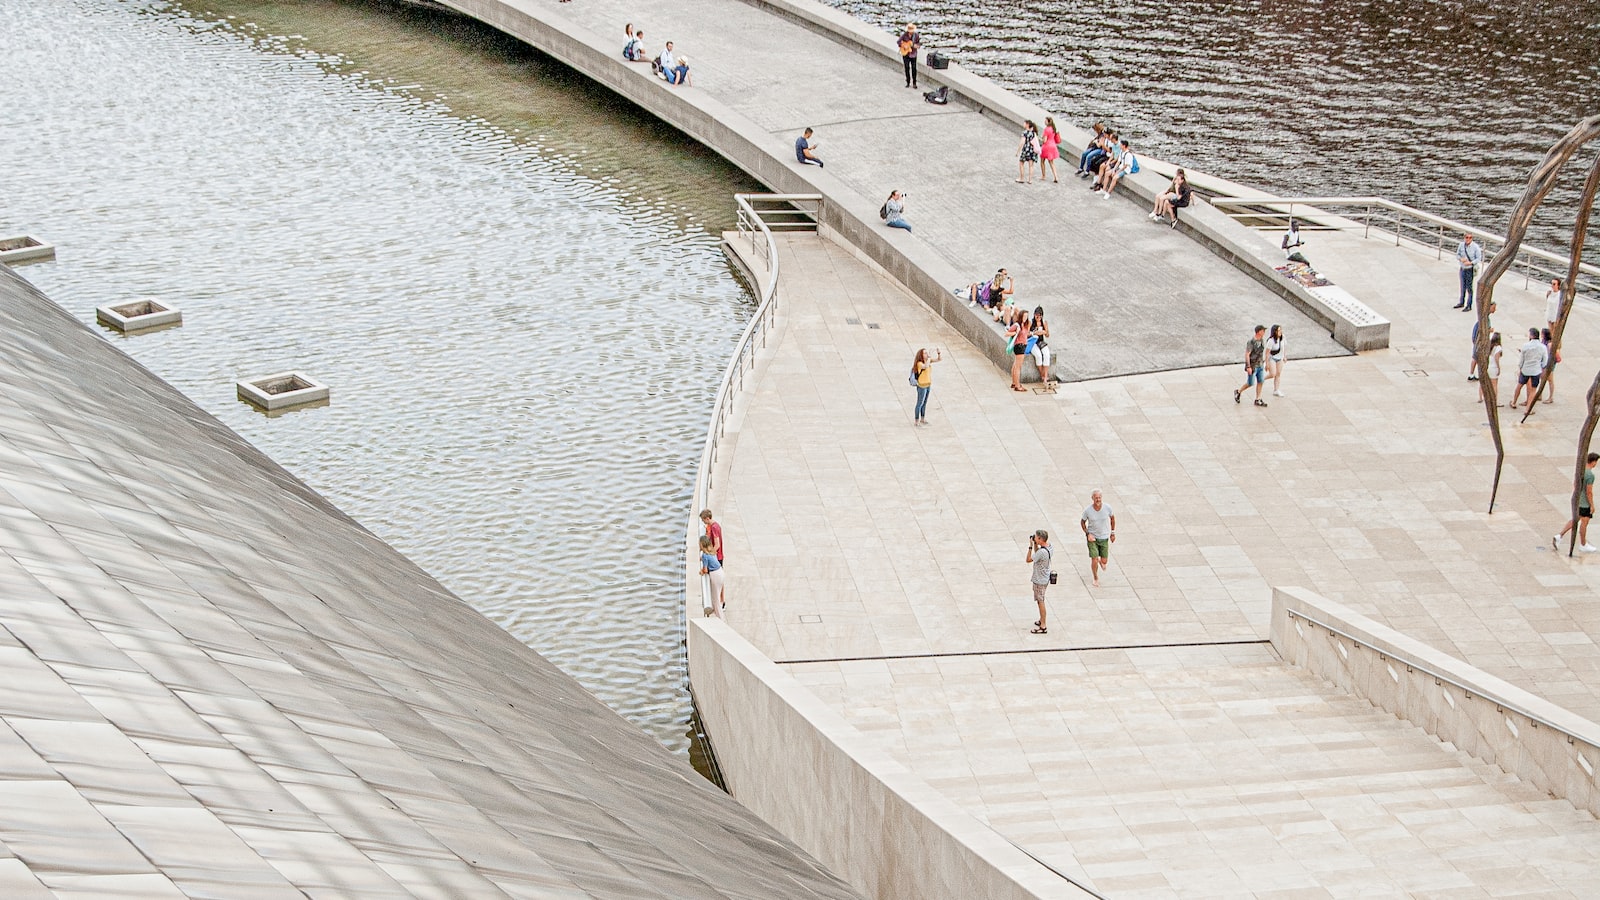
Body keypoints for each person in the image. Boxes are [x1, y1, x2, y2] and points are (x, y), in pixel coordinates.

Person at [1555, 453, 1600, 554]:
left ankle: (1559, 536)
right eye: (1596, 462)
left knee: (1575, 519)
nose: (1596, 464)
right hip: (1584, 503)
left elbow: (1575, 485)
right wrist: (1592, 505)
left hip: (1577, 500)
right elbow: (1589, 492)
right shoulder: (1590, 475)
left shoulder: (1580, 471)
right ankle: (1583, 544)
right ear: (1593, 461)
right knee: (1584, 522)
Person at [1080, 491, 1115, 587]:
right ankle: (1095, 577)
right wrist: (1087, 534)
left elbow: (1112, 518)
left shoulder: (1107, 508)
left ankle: (1101, 561)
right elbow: (1082, 522)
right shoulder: (1088, 510)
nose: (1098, 500)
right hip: (1092, 537)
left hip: (1104, 537)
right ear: (1093, 498)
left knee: (1104, 562)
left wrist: (1112, 533)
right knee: (1094, 559)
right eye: (1096, 498)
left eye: (1099, 497)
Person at [1509, 327, 1548, 411]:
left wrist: (1520, 367)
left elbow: (1521, 360)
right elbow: (1545, 361)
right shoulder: (1542, 347)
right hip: (1536, 370)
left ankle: (1514, 402)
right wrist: (1541, 367)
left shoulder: (1525, 346)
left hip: (1525, 369)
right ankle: (1528, 408)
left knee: (1519, 385)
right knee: (1533, 390)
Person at [1233, 325, 1269, 407]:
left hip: (1260, 364)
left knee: (1261, 381)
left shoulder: (1262, 340)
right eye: (1263, 330)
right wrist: (1248, 366)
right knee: (1250, 383)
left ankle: (1258, 398)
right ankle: (1238, 391)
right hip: (1253, 366)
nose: (1264, 332)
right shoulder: (1251, 342)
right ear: (1259, 331)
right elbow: (1247, 354)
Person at [1026, 529, 1051, 634]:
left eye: (1036, 537)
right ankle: (1041, 620)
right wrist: (1036, 544)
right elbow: (1038, 554)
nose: (1034, 538)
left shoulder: (1041, 552)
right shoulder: (1049, 547)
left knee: (1041, 601)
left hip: (1040, 580)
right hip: (1044, 578)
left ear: (1040, 539)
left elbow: (1028, 559)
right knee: (1040, 600)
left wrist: (1031, 546)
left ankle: (1043, 625)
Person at [911, 347, 941, 424]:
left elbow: (939, 359)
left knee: (925, 402)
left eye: (927, 353)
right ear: (921, 355)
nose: (927, 354)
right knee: (920, 403)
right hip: (922, 386)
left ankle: (922, 418)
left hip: (928, 384)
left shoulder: (928, 361)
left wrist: (939, 353)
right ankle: (916, 420)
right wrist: (929, 357)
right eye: (925, 353)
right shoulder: (919, 364)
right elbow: (926, 366)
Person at [1453, 233, 1483, 311]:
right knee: (1462, 286)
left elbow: (1478, 258)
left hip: (1470, 269)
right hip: (1463, 268)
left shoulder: (1475, 247)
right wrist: (1461, 259)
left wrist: (1471, 263)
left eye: (1470, 238)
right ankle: (1461, 302)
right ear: (1464, 238)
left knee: (1469, 287)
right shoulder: (1461, 245)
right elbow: (1457, 255)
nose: (1468, 239)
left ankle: (1469, 305)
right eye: (1467, 237)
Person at [699, 535, 725, 617]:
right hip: (720, 572)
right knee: (717, 596)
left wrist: (702, 572)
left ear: (702, 545)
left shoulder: (705, 555)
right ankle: (717, 612)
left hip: (715, 575)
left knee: (715, 599)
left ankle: (721, 619)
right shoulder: (712, 552)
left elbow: (705, 570)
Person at [1027, 307, 1053, 388]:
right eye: (1036, 316)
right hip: (1033, 341)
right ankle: (1042, 374)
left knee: (1046, 354)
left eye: (1040, 316)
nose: (1038, 318)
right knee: (1038, 355)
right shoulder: (1031, 322)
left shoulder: (1044, 322)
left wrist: (1044, 332)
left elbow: (1048, 335)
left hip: (1041, 341)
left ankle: (1045, 376)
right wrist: (1034, 333)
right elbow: (1026, 334)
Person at [1476, 331, 1502, 404]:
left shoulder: (1489, 346)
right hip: (1493, 367)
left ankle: (1480, 397)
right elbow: (1496, 359)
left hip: (1487, 365)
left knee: (1483, 382)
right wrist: (1499, 368)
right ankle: (1495, 400)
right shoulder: (1498, 348)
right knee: (1494, 384)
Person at [1008, 312, 1030, 392]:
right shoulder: (1017, 325)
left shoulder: (1024, 325)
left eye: (1027, 316)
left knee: (1015, 365)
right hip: (1019, 346)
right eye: (1024, 316)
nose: (1025, 318)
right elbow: (1007, 333)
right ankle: (1017, 385)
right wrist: (1016, 332)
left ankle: (1014, 382)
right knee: (1018, 366)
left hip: (1022, 345)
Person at [1265, 324, 1286, 397]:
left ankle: (1276, 390)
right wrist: (1267, 363)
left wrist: (1284, 356)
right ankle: (1262, 379)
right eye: (1279, 330)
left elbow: (1284, 347)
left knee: (1278, 374)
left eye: (1281, 330)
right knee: (1272, 374)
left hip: (1280, 358)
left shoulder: (1282, 337)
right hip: (1272, 358)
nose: (1280, 332)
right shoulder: (1271, 341)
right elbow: (1267, 353)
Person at [1016, 120, 1040, 184]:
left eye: (1024, 123)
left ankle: (1021, 178)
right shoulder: (1033, 133)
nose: (1023, 124)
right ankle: (1030, 180)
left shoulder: (1025, 133)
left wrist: (1018, 151)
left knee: (1021, 163)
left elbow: (1022, 142)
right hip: (1032, 151)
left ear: (1027, 124)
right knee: (1031, 165)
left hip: (1026, 150)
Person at [898, 24, 921, 88]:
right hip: (906, 54)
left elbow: (918, 44)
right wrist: (904, 45)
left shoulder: (916, 35)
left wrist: (916, 46)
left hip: (913, 54)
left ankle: (914, 83)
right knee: (907, 68)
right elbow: (899, 41)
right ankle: (908, 81)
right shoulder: (904, 35)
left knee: (914, 68)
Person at [1039, 117, 1062, 182]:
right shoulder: (1053, 129)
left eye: (1045, 121)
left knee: (1042, 161)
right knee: (1051, 162)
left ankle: (1043, 176)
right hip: (1053, 146)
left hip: (1046, 147)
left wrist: (1041, 139)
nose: (1044, 122)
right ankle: (1056, 176)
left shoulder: (1046, 129)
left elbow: (1045, 140)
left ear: (1048, 122)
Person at [1542, 327, 1559, 403]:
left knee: (1550, 380)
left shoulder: (1549, 344)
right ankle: (1540, 395)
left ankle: (1551, 397)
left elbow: (1550, 355)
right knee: (1543, 378)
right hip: (1545, 363)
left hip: (1549, 364)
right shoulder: (1544, 341)